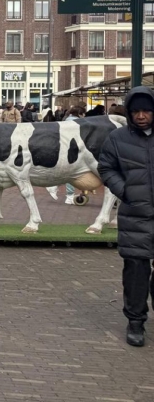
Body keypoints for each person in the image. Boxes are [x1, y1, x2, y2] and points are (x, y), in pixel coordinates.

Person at [97, 86, 154, 347]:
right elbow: (106, 167)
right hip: (135, 215)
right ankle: (135, 321)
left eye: (146, 111)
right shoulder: (118, 139)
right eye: (136, 111)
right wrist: (124, 190)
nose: (141, 116)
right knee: (136, 272)